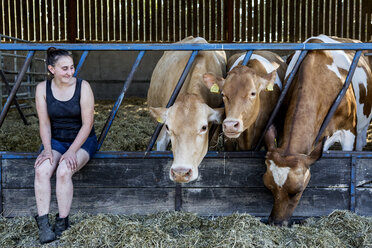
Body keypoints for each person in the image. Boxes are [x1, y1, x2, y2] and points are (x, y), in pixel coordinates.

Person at [34, 47, 97, 244]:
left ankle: (62, 221)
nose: (70, 72)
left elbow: (88, 124)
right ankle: (43, 223)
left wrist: (71, 151)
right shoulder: (42, 89)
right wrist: (46, 148)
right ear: (52, 69)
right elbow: (44, 122)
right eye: (64, 68)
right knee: (42, 170)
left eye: (72, 67)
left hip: (82, 140)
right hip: (55, 140)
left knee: (63, 170)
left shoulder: (83, 87)